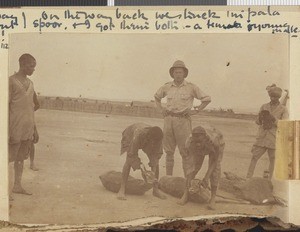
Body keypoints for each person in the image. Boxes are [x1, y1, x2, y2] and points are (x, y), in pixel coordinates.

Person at [154, 60, 211, 176]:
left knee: (185, 152)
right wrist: (161, 110)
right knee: (169, 152)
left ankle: (187, 181)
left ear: (184, 74)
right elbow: (156, 97)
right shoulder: (167, 87)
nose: (178, 74)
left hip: (183, 121)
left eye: (180, 72)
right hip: (169, 120)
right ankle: (168, 179)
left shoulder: (191, 87)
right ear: (172, 74)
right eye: (176, 72)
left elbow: (207, 99)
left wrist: (195, 111)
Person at [9, 53, 37, 195]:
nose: (33, 69)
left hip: (27, 129)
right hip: (13, 128)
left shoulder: (31, 84)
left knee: (20, 159)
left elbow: (31, 107)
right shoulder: (11, 81)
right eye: (31, 66)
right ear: (23, 65)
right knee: (7, 158)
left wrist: (34, 129)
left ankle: (17, 186)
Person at [246, 84, 289, 180]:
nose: (273, 98)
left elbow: (284, 125)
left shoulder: (283, 109)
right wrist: (260, 119)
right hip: (262, 137)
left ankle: (269, 181)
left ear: (279, 97)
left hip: (274, 138)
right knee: (254, 157)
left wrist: (273, 119)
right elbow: (257, 122)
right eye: (271, 96)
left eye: (275, 97)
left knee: (272, 160)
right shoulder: (264, 106)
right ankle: (248, 178)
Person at [178, 125, 225, 210]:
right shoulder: (189, 142)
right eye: (196, 142)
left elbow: (214, 161)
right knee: (194, 167)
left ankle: (213, 198)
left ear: (205, 138)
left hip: (213, 145)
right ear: (193, 140)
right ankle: (186, 193)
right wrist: (189, 178)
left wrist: (206, 177)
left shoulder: (215, 141)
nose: (198, 144)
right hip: (201, 146)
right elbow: (189, 165)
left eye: (199, 141)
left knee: (215, 171)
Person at [117, 123, 166, 200]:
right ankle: (122, 189)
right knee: (128, 161)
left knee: (156, 163)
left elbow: (155, 158)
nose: (154, 144)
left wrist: (152, 176)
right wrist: (142, 169)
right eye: (153, 142)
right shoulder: (138, 135)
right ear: (149, 138)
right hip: (130, 134)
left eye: (156, 143)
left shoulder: (158, 139)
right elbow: (132, 155)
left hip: (147, 137)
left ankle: (155, 190)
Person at [28, 91, 40, 171]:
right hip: (14, 117)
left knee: (31, 141)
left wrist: (29, 111)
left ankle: (32, 163)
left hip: (28, 119)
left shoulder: (31, 89)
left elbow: (37, 105)